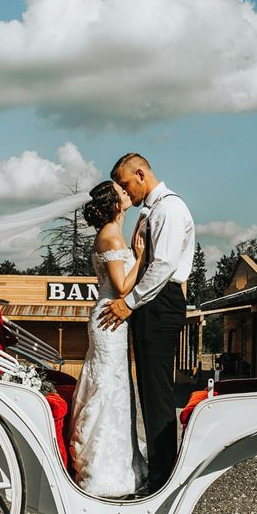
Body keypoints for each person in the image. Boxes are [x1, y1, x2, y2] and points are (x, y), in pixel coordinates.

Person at [100, 153, 195, 492]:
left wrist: (129, 302)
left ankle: (163, 475)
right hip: (151, 302)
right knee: (149, 391)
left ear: (140, 173)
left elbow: (165, 264)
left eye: (126, 184)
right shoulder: (150, 211)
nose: (125, 192)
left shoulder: (169, 208)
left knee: (157, 392)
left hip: (160, 301)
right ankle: (159, 466)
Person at [68, 181, 149, 498]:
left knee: (116, 384)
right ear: (115, 204)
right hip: (109, 319)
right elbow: (121, 286)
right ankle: (102, 467)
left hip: (113, 320)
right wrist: (140, 257)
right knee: (108, 384)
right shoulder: (110, 236)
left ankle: (121, 458)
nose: (127, 193)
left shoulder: (112, 234)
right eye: (122, 192)